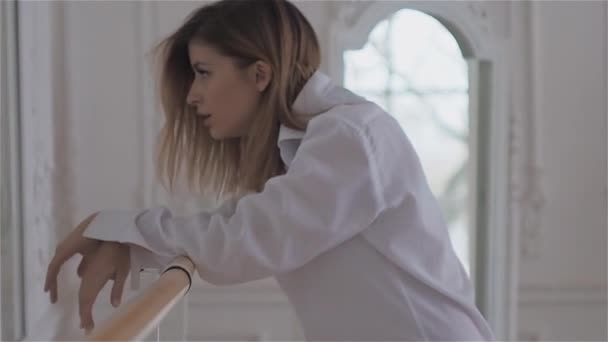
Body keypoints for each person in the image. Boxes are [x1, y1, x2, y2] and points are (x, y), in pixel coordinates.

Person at [44, 0, 495, 340]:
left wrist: (120, 230)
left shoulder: (350, 137)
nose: (191, 97)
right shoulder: (310, 149)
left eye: (203, 72)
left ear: (260, 74)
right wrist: (120, 236)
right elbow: (236, 222)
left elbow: (245, 241)